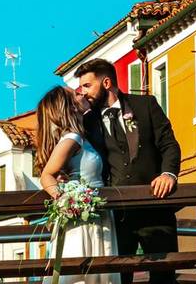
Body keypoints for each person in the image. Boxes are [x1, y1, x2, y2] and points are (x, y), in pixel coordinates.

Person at [74, 58, 181, 284]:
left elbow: (169, 144)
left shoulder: (145, 105)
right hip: (116, 215)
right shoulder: (87, 121)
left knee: (164, 277)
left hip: (156, 207)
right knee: (119, 278)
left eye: (87, 86)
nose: (83, 93)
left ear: (106, 83)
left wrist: (168, 174)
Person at [36, 86, 120, 284]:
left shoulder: (81, 137)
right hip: (83, 218)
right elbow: (47, 175)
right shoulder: (72, 139)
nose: (81, 93)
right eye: (76, 93)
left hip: (96, 214)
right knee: (82, 273)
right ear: (70, 106)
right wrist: (66, 199)